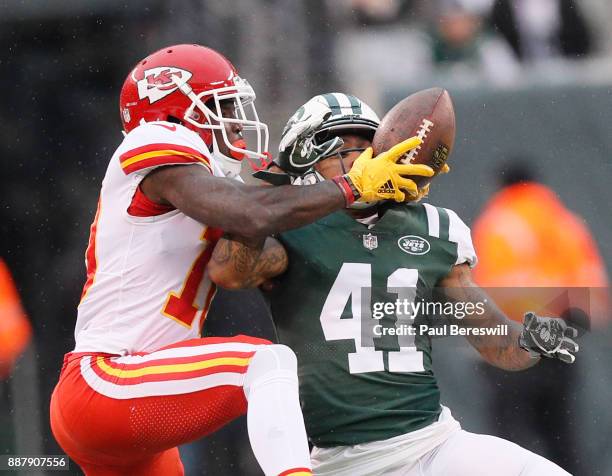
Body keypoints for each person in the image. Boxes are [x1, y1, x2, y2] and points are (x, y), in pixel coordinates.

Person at [49, 45, 432, 476]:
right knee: (267, 363)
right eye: (223, 105)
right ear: (175, 111)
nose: (236, 119)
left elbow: (258, 235)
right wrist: (349, 187)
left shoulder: (211, 183)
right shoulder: (155, 139)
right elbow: (248, 211)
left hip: (138, 401)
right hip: (106, 380)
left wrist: (368, 207)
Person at [209, 92, 580, 475]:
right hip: (339, 460)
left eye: (369, 146)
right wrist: (273, 203)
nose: (360, 159)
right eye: (342, 148)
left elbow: (494, 342)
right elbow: (228, 272)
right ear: (302, 160)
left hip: (432, 443)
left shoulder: (434, 226)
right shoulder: (291, 230)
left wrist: (529, 342)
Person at [472, 161, 609, 474]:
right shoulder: (566, 223)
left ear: (500, 184)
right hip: (562, 343)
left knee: (505, 440)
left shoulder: (499, 222)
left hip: (514, 344)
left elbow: (490, 290)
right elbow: (593, 290)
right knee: (561, 437)